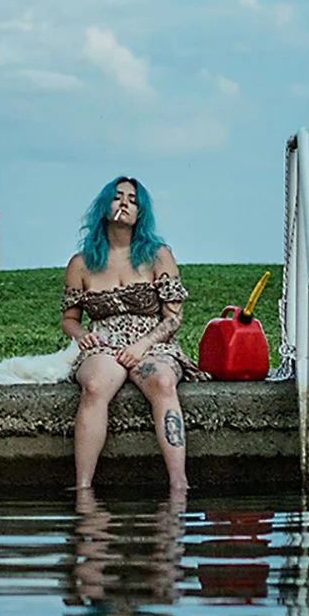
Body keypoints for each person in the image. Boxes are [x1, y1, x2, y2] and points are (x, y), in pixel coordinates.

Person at [61, 176, 200, 496]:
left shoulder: (158, 255)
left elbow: (173, 318)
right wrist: (82, 335)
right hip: (103, 342)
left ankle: (179, 485)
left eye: (132, 199)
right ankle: (83, 489)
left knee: (163, 382)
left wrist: (142, 346)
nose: (124, 202)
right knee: (94, 387)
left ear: (141, 212)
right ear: (104, 206)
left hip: (151, 340)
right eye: (117, 196)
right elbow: (69, 319)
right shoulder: (80, 264)